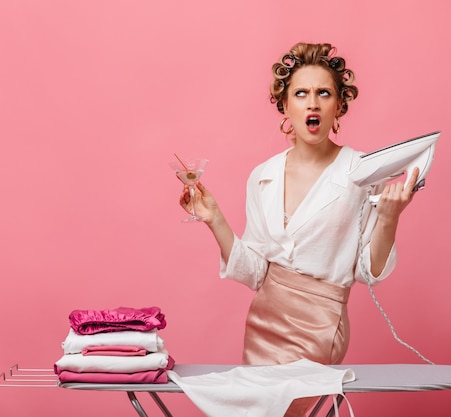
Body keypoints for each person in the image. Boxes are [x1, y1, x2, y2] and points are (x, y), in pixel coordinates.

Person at [177, 42, 419, 416]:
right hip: (263, 323)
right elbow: (257, 271)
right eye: (301, 93)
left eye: (324, 93)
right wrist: (215, 219)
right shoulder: (263, 176)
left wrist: (390, 217)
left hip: (321, 325)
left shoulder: (361, 172)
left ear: (339, 106)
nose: (313, 103)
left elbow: (366, 271)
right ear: (286, 106)